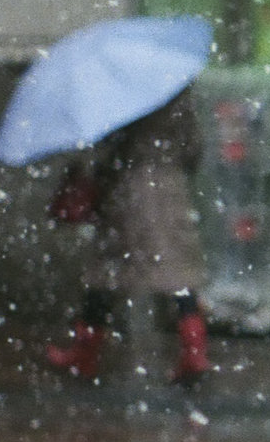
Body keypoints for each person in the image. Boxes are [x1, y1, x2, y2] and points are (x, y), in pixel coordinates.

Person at [47, 90, 210, 385]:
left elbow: (111, 145)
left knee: (106, 272)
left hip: (130, 190)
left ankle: (85, 353)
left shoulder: (124, 92)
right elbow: (193, 147)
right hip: (171, 190)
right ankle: (194, 351)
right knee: (177, 273)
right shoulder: (177, 86)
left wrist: (97, 165)